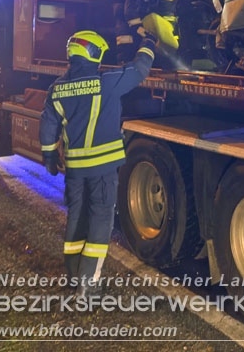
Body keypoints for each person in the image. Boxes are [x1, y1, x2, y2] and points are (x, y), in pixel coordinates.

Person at [39, 27, 158, 296]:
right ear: (91, 53)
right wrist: (149, 43)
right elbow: (140, 69)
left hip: (75, 171)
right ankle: (89, 284)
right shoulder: (107, 82)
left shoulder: (57, 89)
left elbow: (48, 127)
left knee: (76, 218)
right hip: (103, 171)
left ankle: (74, 275)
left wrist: (49, 156)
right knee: (100, 222)